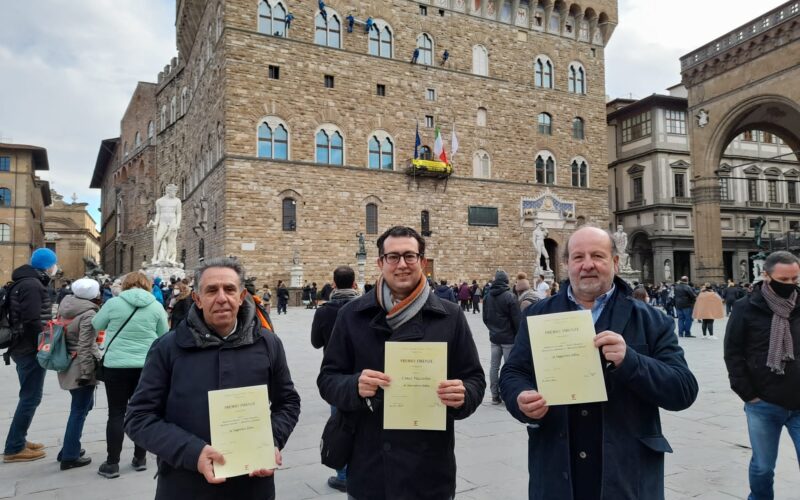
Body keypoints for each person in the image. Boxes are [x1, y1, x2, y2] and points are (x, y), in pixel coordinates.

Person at [499, 226, 698, 500]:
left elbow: (683, 390)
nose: (588, 265)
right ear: (566, 264)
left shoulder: (651, 320)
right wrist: (520, 397)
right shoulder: (538, 315)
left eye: (598, 256)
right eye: (578, 257)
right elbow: (513, 372)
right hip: (558, 471)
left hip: (627, 474)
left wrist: (631, 361)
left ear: (615, 262)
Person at [317, 226, 485, 499]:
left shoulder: (450, 316)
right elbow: (327, 380)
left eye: (410, 256)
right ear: (380, 262)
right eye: (393, 257)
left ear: (421, 261)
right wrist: (354, 385)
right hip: (370, 467)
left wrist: (463, 395)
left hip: (429, 471)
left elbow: (474, 379)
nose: (402, 265)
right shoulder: (351, 315)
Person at [125, 258, 301, 499]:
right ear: (197, 299)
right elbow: (139, 417)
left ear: (241, 296)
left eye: (229, 289)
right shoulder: (167, 348)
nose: (221, 298)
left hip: (252, 487)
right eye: (211, 290)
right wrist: (192, 452)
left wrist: (270, 441)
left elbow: (288, 402)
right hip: (185, 485)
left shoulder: (268, 343)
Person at [724, 251, 800, 500]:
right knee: (763, 467)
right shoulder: (746, 307)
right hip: (763, 403)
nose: (790, 285)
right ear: (766, 276)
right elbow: (733, 352)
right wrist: (748, 393)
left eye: (795, 279)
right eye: (784, 280)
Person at [92, 271, 170, 478]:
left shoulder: (113, 304)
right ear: (147, 285)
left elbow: (96, 324)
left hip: (115, 365)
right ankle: (140, 458)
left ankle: (112, 463)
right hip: (146, 366)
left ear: (126, 284)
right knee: (142, 411)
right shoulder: (156, 306)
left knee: (116, 412)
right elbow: (164, 335)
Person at [3, 248, 58, 463]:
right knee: (30, 397)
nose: (56, 267)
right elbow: (32, 320)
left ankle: (19, 439)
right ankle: (14, 447)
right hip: (29, 348)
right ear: (47, 265)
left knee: (28, 395)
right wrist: (46, 342)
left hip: (22, 347)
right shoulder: (33, 285)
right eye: (54, 263)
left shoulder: (26, 282)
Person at [310, 265, 359, 492]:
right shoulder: (364, 306)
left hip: (337, 373)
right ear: (355, 283)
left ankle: (343, 475)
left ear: (334, 283)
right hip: (362, 374)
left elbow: (316, 342)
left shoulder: (324, 311)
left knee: (340, 424)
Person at [55, 278, 102, 470]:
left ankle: (69, 446)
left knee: (83, 406)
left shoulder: (65, 305)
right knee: (79, 410)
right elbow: (85, 346)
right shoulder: (89, 313)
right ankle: (70, 456)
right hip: (80, 366)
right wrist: (86, 373)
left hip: (66, 362)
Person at [482, 270, 522, 405]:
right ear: (505, 281)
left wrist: (493, 330)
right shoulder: (510, 297)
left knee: (494, 367)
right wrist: (517, 336)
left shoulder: (487, 297)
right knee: (509, 367)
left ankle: (494, 395)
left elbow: (485, 318)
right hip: (508, 339)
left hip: (494, 338)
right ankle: (508, 395)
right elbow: (517, 320)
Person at [148, 184, 182, 265]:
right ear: (168, 191)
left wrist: (177, 224)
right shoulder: (159, 201)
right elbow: (158, 214)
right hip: (163, 221)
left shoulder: (177, 201)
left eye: (175, 192)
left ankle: (168, 257)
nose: (175, 193)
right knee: (158, 239)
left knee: (171, 240)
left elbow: (179, 213)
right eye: (174, 192)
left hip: (172, 221)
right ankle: (155, 256)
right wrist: (156, 222)